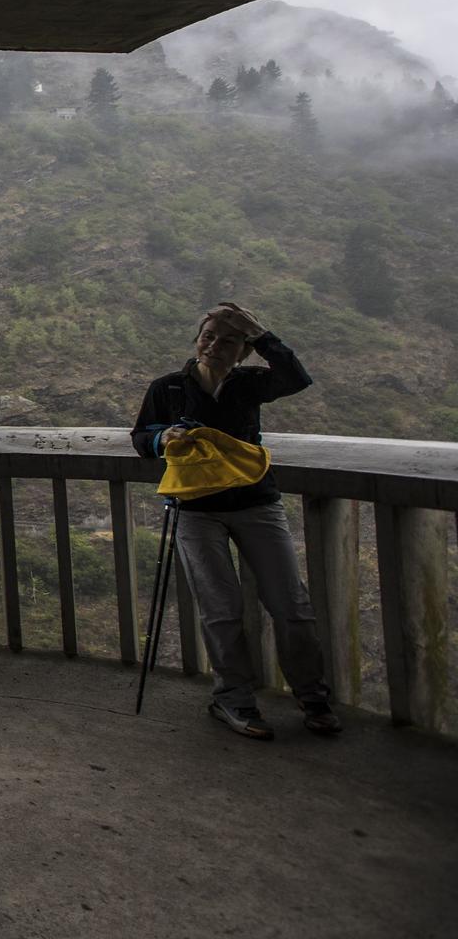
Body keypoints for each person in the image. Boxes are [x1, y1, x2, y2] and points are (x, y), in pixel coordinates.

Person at [131, 301, 341, 739]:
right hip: (195, 509)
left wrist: (261, 333)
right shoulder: (167, 388)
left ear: (244, 352)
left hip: (257, 503)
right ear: (196, 340)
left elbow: (297, 377)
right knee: (220, 609)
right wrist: (161, 438)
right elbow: (141, 436)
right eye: (208, 336)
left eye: (228, 341)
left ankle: (313, 696)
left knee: (291, 605)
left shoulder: (251, 384)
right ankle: (233, 699)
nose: (214, 345)